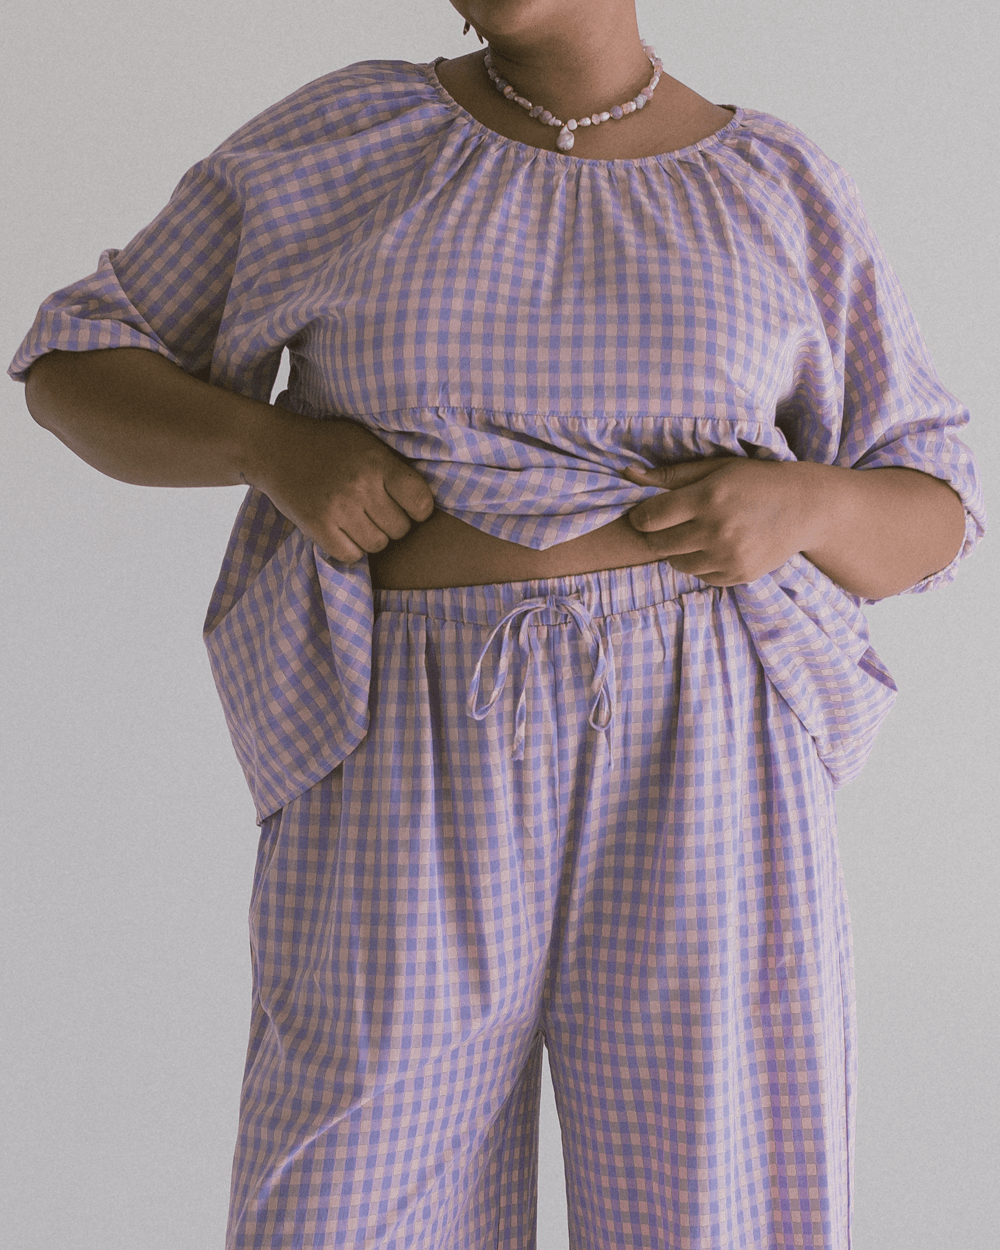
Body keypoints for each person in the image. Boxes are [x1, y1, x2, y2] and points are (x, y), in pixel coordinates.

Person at [9, 1, 986, 1246]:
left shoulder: (777, 183)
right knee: (344, 1204)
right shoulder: (348, 138)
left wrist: (808, 501)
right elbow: (74, 359)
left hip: (708, 746)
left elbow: (936, 507)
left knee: (716, 1197)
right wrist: (270, 446)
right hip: (404, 733)